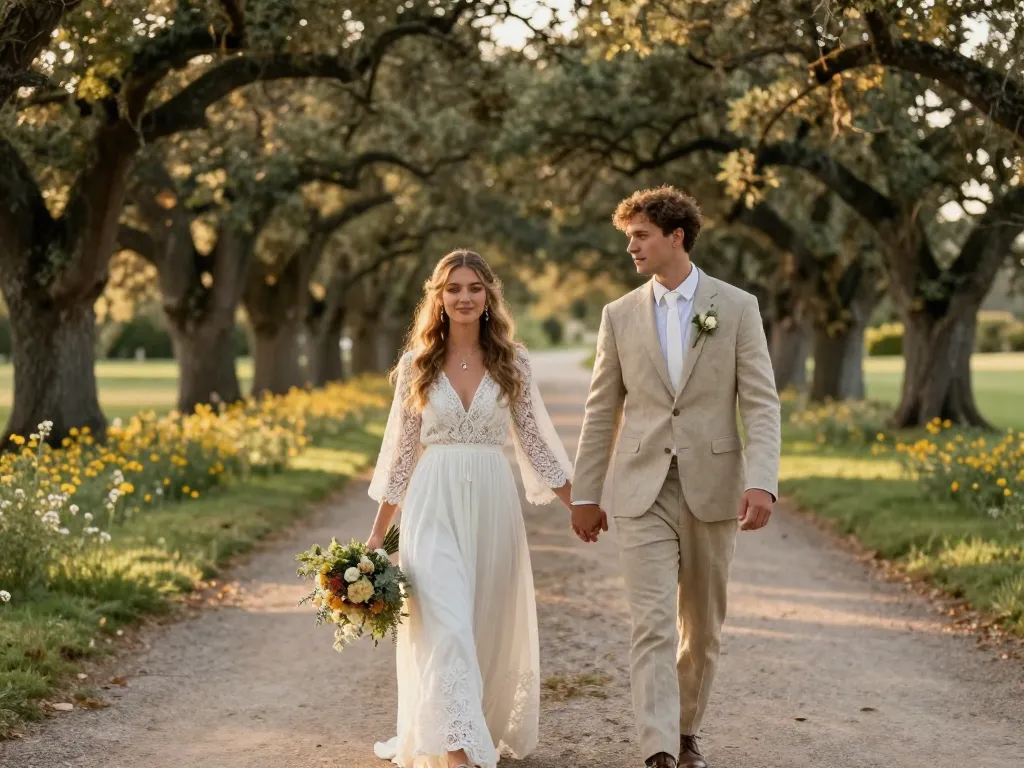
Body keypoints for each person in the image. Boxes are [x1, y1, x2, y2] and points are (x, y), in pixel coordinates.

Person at [571, 186, 782, 768]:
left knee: (702, 626)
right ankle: (659, 748)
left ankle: (687, 729)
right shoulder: (618, 316)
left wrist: (762, 480)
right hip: (642, 488)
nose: (631, 248)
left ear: (675, 237)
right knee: (652, 624)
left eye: (640, 236)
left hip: (714, 486)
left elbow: (761, 404)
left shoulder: (737, 307)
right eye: (629, 238)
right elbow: (600, 409)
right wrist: (585, 494)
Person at [366, 249, 576, 768]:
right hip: (432, 501)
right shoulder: (417, 365)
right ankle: (457, 751)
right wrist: (376, 536)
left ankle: (469, 723)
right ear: (437, 298)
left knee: (481, 622)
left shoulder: (513, 361)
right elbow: (399, 457)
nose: (464, 297)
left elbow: (535, 443)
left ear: (488, 297)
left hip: (491, 502)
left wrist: (580, 504)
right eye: (453, 288)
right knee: (447, 622)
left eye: (474, 288)